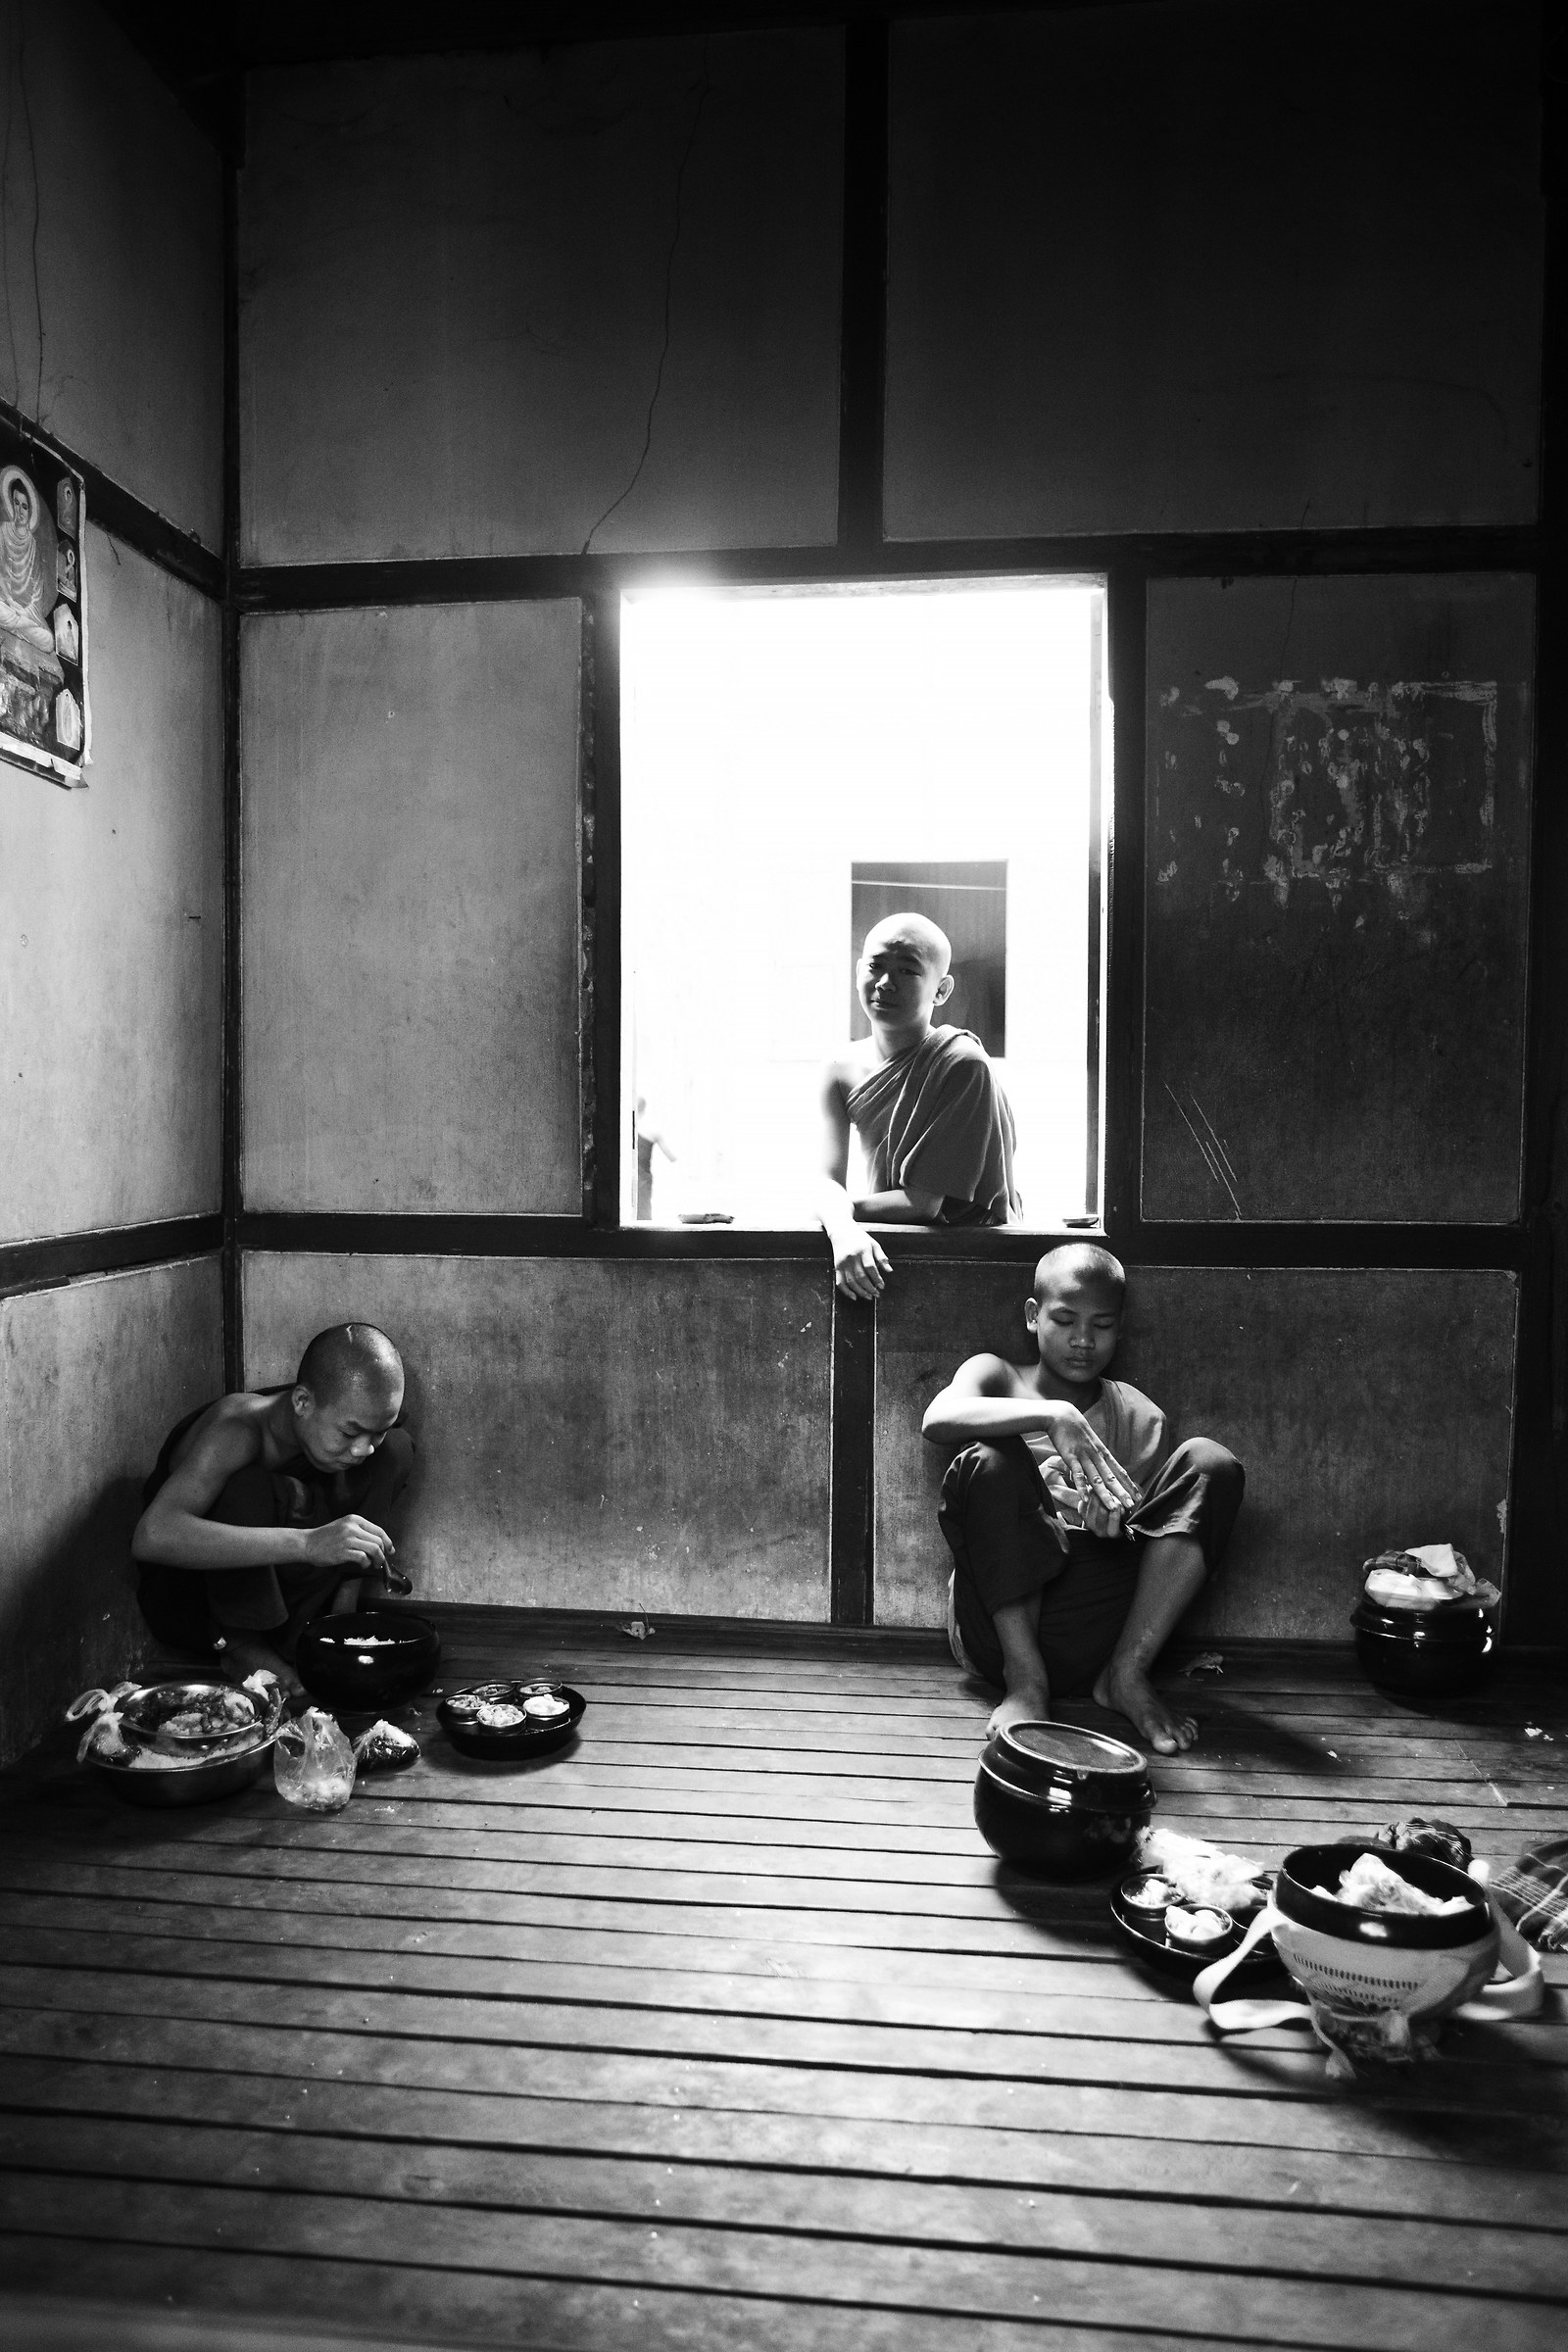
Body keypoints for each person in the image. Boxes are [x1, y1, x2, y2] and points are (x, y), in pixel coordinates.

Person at [922, 1244, 1243, 1754]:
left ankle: (1126, 1675)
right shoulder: (997, 1375)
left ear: (1120, 1327)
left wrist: (1110, 1528)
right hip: (1000, 1627)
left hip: (1094, 1621)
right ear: (1034, 1316)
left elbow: (1147, 1537)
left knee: (1211, 1464)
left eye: (1102, 1325)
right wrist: (1054, 1417)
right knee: (991, 1458)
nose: (1082, 1340)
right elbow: (937, 1421)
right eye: (1065, 1320)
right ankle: (1026, 1684)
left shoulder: (1137, 1415)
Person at [131, 1324, 415, 1693]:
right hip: (195, 1600)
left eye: (373, 1432)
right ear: (301, 1402)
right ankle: (241, 1646)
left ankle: (337, 1619)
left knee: (395, 1449)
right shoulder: (236, 1431)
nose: (363, 1448)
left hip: (287, 1580)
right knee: (244, 1489)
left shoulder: (346, 1425)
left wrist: (343, 1598)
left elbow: (375, 1444)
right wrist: (309, 1544)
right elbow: (151, 1536)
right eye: (349, 1434)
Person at [818, 912, 1020, 1299]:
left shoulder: (962, 1064)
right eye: (875, 966)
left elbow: (924, 1202)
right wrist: (841, 1228)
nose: (884, 983)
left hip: (966, 1259)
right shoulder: (838, 1070)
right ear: (858, 970)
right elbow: (825, 1178)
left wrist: (835, 1213)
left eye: (907, 971)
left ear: (941, 990)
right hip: (877, 1251)